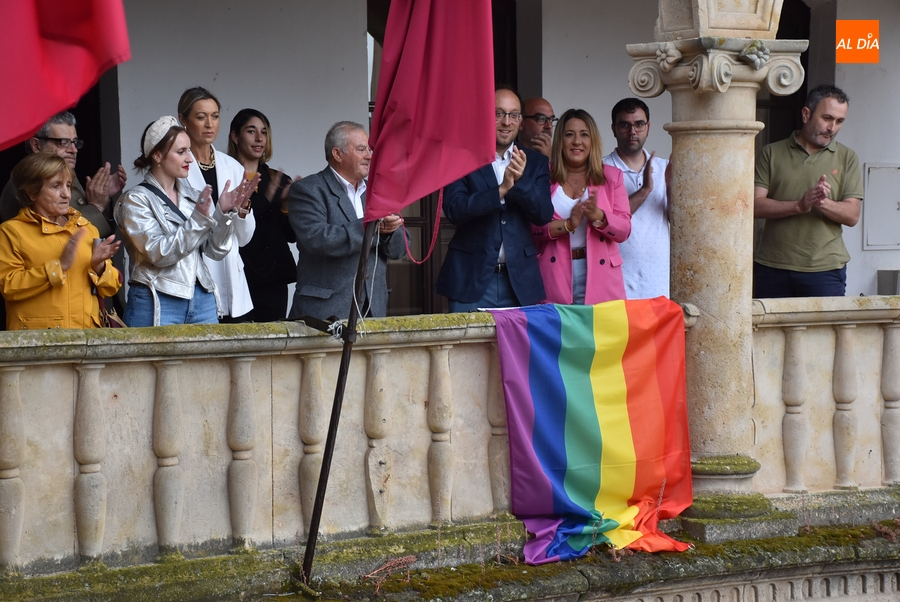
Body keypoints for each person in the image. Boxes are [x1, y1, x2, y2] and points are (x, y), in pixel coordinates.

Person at [115, 116, 257, 327]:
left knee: (209, 361)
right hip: (157, 298)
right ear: (157, 155)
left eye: (189, 150)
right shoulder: (135, 200)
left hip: (202, 296)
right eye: (181, 152)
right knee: (156, 362)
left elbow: (214, 251)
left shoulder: (192, 196)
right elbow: (159, 253)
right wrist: (199, 220)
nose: (190, 158)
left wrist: (224, 214)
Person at [435, 87, 553, 311]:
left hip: (519, 282)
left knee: (516, 347)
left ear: (520, 121)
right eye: (498, 113)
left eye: (513, 115)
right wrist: (500, 190)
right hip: (470, 279)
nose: (506, 122)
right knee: (467, 347)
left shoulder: (535, 162)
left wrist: (520, 182)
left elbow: (543, 215)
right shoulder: (462, 157)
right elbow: (455, 208)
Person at [287, 121, 405, 321]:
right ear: (337, 154)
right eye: (361, 149)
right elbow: (318, 239)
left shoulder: (378, 193)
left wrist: (390, 231)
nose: (369, 155)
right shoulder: (308, 190)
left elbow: (399, 250)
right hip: (324, 313)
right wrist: (371, 227)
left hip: (373, 310)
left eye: (369, 149)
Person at [753, 85, 863, 298]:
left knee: (823, 333)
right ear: (806, 114)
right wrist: (799, 205)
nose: (832, 128)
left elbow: (852, 216)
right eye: (827, 118)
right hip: (772, 267)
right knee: (770, 332)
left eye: (839, 121)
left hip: (826, 269)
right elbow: (754, 205)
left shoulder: (848, 158)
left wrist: (822, 202)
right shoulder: (771, 153)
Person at [0, 153, 121, 329]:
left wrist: (99, 267)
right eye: (56, 186)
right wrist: (58, 267)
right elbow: (8, 286)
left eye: (68, 185)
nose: (66, 194)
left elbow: (110, 289)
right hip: (40, 342)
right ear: (32, 192)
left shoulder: (87, 229)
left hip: (88, 340)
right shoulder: (12, 232)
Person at [532, 108, 631, 305]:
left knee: (600, 335)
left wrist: (599, 216)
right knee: (557, 334)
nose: (577, 141)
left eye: (584, 134)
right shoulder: (542, 176)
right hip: (553, 275)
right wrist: (568, 224)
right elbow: (532, 228)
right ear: (560, 141)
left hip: (601, 278)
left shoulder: (612, 177)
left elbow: (624, 230)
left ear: (592, 140)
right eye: (569, 134)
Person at [178, 87, 256, 321]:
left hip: (232, 278)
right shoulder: (177, 168)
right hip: (195, 278)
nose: (209, 124)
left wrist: (242, 210)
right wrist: (220, 212)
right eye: (201, 117)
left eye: (215, 116)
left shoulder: (232, 166)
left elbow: (244, 238)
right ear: (183, 120)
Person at [0, 111, 127, 238]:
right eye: (63, 142)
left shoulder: (67, 175)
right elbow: (56, 240)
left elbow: (101, 233)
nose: (74, 150)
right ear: (36, 145)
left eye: (75, 142)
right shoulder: (23, 183)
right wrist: (96, 206)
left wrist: (103, 197)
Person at [227, 109, 297, 321]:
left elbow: (291, 237)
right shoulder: (225, 177)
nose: (259, 139)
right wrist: (264, 202)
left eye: (264, 132)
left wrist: (286, 208)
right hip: (240, 278)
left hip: (273, 281)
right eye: (251, 131)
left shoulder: (278, 179)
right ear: (235, 136)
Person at [602, 98, 670, 299]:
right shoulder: (599, 170)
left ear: (648, 127)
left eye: (639, 124)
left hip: (659, 284)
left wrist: (674, 188)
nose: (632, 132)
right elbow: (606, 223)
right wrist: (645, 190)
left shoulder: (664, 168)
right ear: (614, 129)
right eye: (625, 125)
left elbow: (680, 222)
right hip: (617, 283)